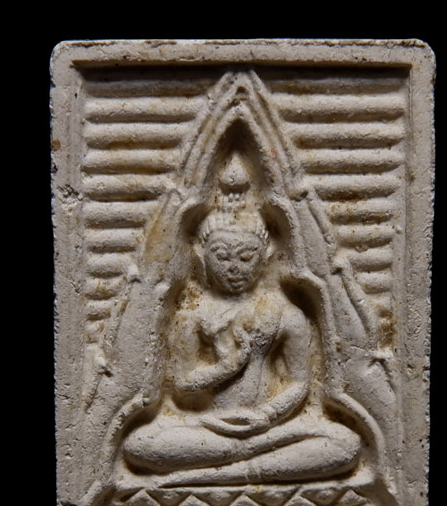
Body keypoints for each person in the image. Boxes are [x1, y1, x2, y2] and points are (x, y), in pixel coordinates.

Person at [123, 195, 361, 486]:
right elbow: (182, 385)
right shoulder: (192, 314)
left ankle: (223, 471)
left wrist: (267, 416)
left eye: (246, 257)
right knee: (140, 444)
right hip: (209, 427)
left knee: (344, 443)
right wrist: (226, 367)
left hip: (269, 428)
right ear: (202, 256)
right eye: (222, 256)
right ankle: (254, 466)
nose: (234, 267)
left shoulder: (285, 313)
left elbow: (299, 382)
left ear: (265, 257)